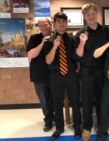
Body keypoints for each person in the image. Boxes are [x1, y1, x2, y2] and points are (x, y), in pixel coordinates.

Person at [74, 3, 109, 141]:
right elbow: (77, 56)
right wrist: (82, 42)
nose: (91, 16)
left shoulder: (105, 31)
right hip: (87, 71)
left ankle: (103, 125)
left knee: (103, 99)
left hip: (103, 70)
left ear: (97, 14)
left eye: (93, 13)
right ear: (84, 17)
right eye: (87, 14)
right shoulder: (80, 34)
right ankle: (87, 127)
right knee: (87, 100)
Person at [43, 12, 81, 140]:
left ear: (66, 24)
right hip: (55, 75)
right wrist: (54, 47)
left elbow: (76, 57)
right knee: (57, 102)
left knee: (75, 102)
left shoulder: (72, 39)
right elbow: (48, 61)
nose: (61, 24)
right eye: (58, 22)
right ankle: (59, 128)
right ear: (54, 24)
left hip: (71, 74)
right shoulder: (49, 40)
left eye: (64, 22)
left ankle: (77, 127)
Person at [26, 18, 54, 132]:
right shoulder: (34, 38)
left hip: (55, 74)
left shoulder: (56, 37)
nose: (44, 27)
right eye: (41, 25)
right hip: (39, 75)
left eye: (46, 24)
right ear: (38, 27)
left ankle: (57, 118)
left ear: (51, 25)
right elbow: (30, 55)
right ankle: (48, 121)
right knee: (44, 100)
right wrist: (42, 43)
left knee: (56, 99)